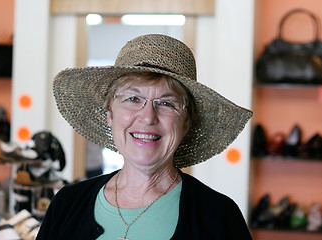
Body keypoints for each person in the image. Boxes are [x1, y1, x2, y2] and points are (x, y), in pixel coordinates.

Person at [36, 34, 253, 240]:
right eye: (132, 98)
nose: (148, 118)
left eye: (167, 103)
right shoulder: (67, 204)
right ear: (110, 114)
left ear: (187, 123)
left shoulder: (219, 216)